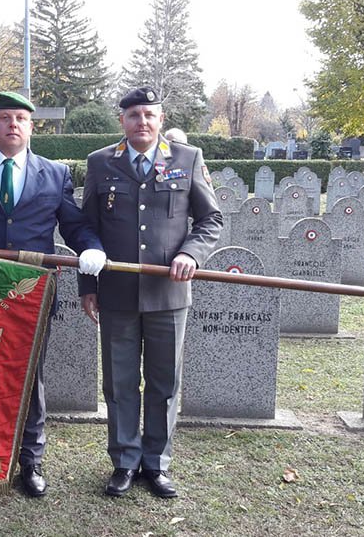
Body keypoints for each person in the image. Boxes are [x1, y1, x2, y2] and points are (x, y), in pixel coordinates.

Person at [0, 91, 106, 498]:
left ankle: (30, 461)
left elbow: (73, 224)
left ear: (31, 127)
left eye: (20, 118)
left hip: (32, 295)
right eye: (5, 118)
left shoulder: (54, 174)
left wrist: (90, 247)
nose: (13, 124)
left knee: (30, 377)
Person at [79, 87, 222, 499]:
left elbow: (210, 219)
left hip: (168, 294)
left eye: (149, 114)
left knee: (164, 383)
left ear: (161, 119)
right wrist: (88, 283)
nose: (141, 121)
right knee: (119, 383)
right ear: (122, 121)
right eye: (134, 115)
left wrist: (191, 254)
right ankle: (125, 461)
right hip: (117, 292)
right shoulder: (100, 162)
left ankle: (156, 463)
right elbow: (87, 226)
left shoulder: (187, 158)